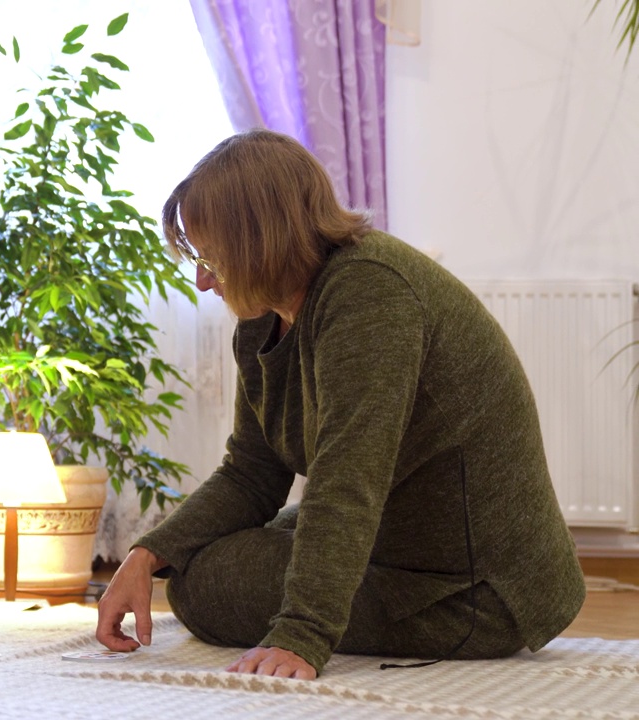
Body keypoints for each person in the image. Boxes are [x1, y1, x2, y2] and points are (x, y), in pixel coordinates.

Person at [95, 129, 586, 679]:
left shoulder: (369, 293)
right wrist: (145, 556)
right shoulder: (262, 319)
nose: (203, 279)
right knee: (201, 557)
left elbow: (347, 481)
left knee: (206, 585)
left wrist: (301, 635)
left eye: (214, 258)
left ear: (263, 241)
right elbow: (251, 475)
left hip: (477, 589)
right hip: (399, 535)